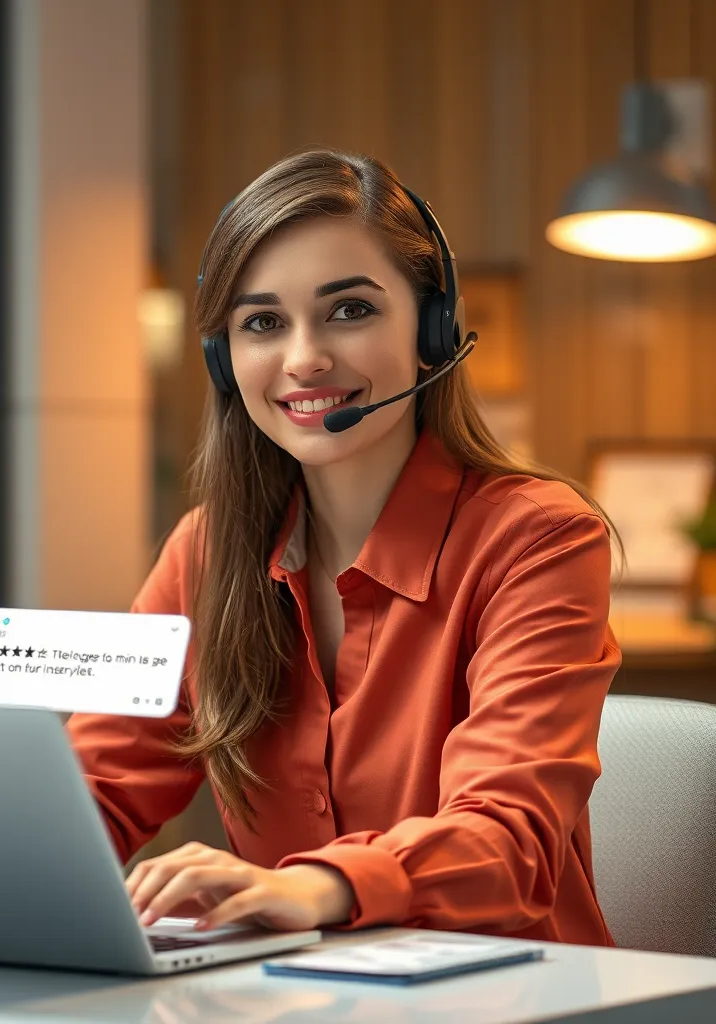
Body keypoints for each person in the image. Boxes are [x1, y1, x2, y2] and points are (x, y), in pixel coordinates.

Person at [67, 150, 621, 945]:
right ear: (224, 358)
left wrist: (314, 885)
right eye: (262, 323)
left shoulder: (538, 538)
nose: (303, 359)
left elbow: (508, 840)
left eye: (350, 310)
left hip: (515, 993)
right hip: (294, 998)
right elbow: (97, 786)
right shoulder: (207, 551)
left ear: (433, 329)